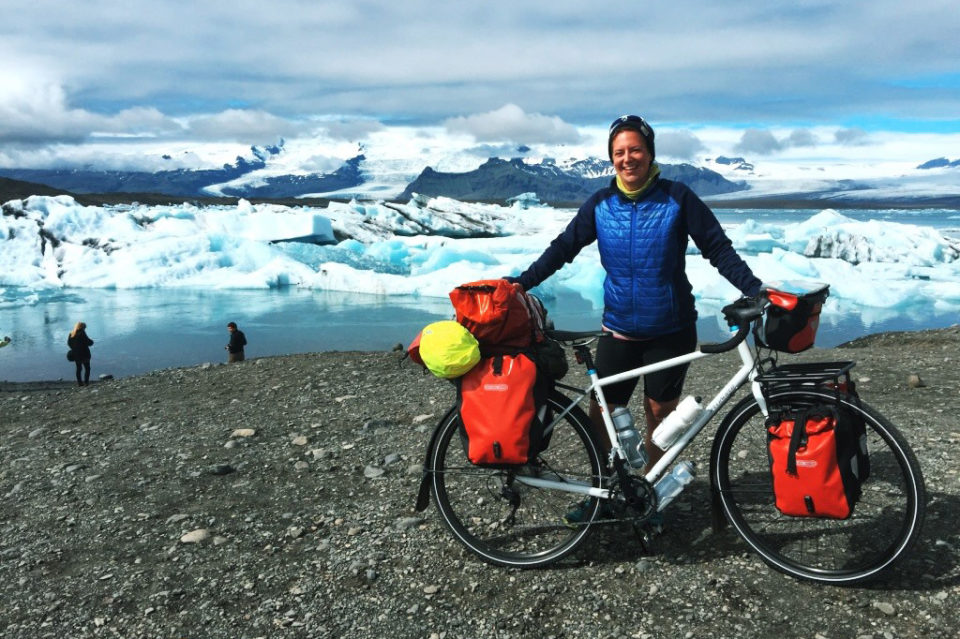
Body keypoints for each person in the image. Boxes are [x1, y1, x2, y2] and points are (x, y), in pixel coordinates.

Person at [510, 115, 762, 523]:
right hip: (620, 329)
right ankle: (601, 491)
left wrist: (753, 287)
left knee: (660, 417)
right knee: (603, 414)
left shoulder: (677, 198)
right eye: (619, 152)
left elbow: (718, 249)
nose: (628, 159)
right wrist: (521, 284)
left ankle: (652, 493)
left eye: (635, 150)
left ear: (650, 153)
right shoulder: (600, 205)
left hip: (671, 328)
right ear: (611, 159)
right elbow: (563, 249)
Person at [67, 322, 94, 386]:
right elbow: (88, 342)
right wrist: (92, 342)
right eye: (84, 327)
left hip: (76, 355)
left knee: (79, 368)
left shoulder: (71, 334)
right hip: (84, 354)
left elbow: (69, 343)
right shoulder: (82, 333)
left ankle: (79, 383)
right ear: (82, 327)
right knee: (87, 368)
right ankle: (86, 382)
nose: (85, 329)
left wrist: (74, 348)